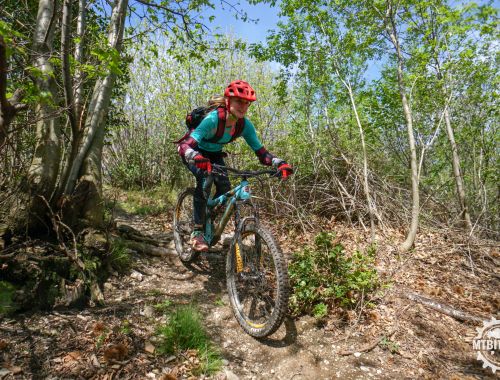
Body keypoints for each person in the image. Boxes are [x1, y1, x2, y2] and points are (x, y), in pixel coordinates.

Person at [176, 80, 293, 252]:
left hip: (214, 155)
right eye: (239, 101)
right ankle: (197, 231)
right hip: (195, 152)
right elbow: (186, 144)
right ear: (228, 101)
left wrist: (279, 163)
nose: (243, 106)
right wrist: (194, 155)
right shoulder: (213, 119)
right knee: (205, 180)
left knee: (225, 188)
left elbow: (261, 152)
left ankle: (210, 215)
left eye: (247, 103)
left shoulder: (244, 125)